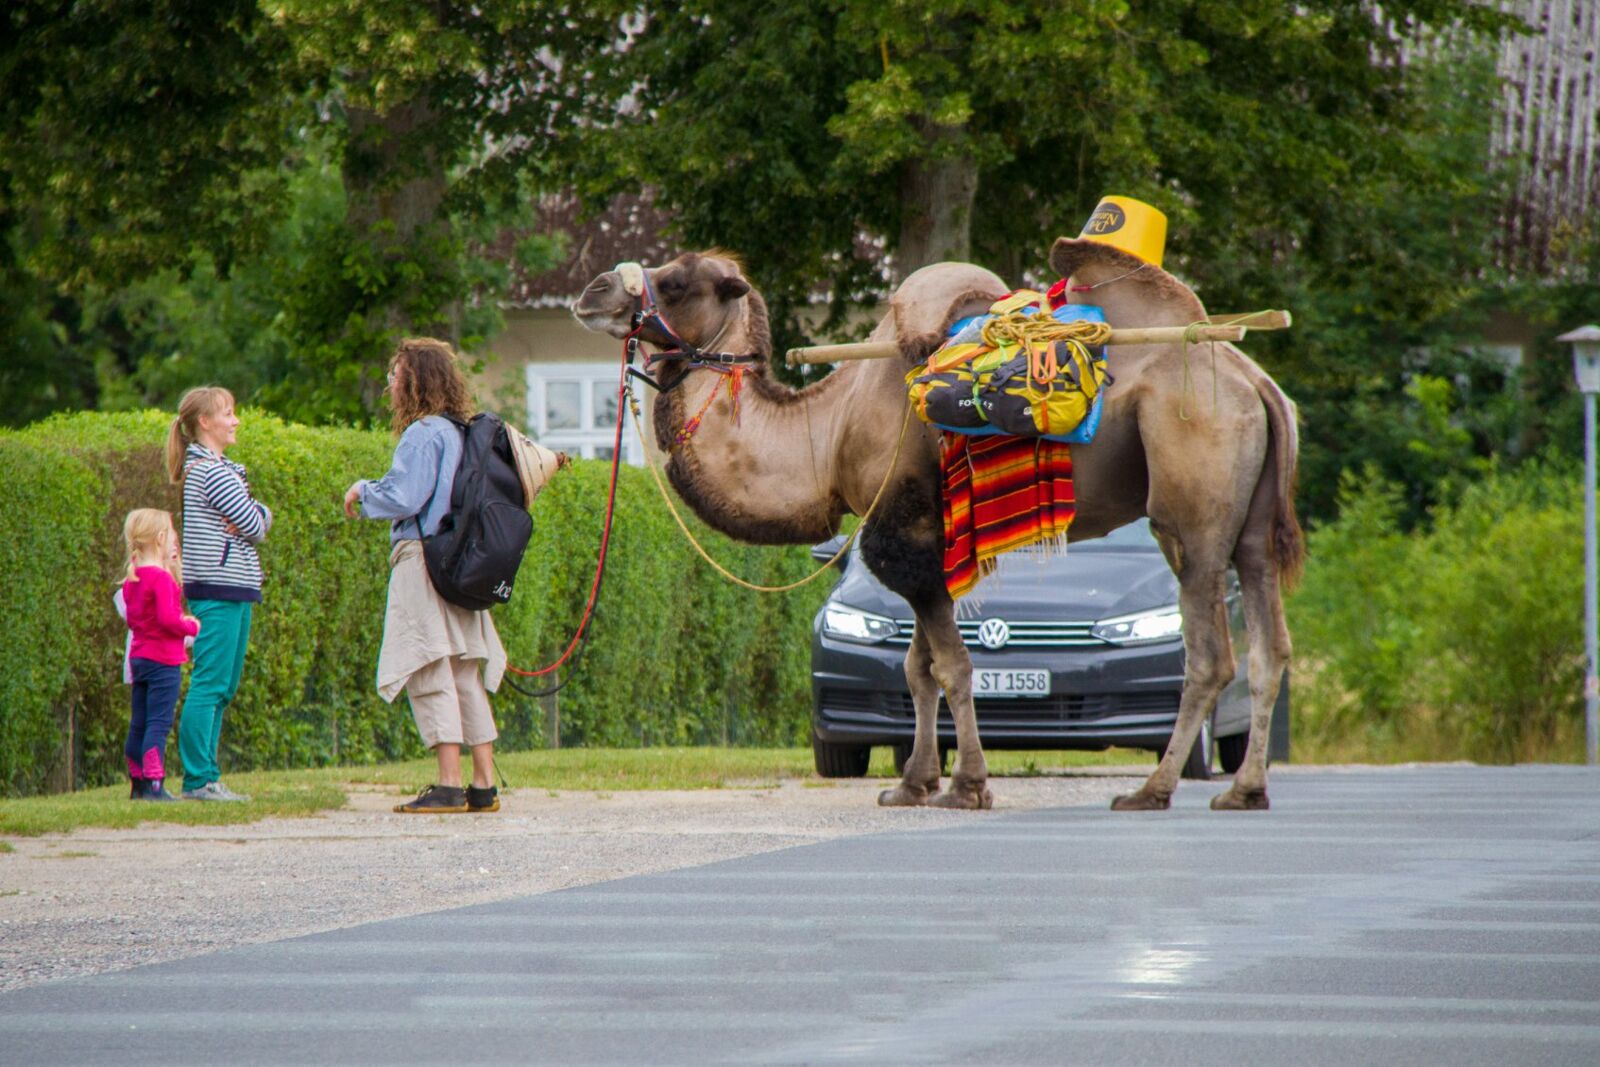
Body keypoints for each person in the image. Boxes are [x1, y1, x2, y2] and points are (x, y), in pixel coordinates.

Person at [344, 337, 507, 815]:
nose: (389, 386)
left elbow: (404, 496)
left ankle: (448, 784)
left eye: (395, 376)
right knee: (464, 670)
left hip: (422, 558)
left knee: (429, 664)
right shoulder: (464, 431)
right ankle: (483, 784)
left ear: (416, 380)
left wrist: (362, 491)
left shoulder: (423, 433)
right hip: (460, 562)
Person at [166, 386, 272, 803]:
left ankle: (208, 776)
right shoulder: (210, 472)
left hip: (236, 588)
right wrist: (256, 515)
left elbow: (254, 518)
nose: (236, 421)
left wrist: (255, 514)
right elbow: (257, 523)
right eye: (228, 414)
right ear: (205, 423)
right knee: (210, 684)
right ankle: (198, 780)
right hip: (219, 588)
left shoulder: (219, 469)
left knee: (223, 686)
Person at [119, 509, 200, 802]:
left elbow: (133, 618)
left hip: (139, 658)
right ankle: (155, 783)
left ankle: (137, 782)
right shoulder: (162, 580)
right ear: (161, 539)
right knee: (159, 722)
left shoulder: (133, 579)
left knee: (139, 720)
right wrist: (191, 625)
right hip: (163, 660)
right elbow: (168, 619)